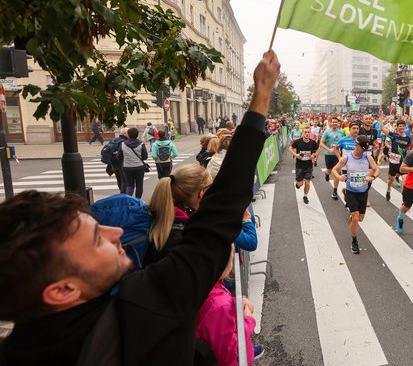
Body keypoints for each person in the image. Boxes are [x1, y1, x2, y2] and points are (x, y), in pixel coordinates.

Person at [0, 49, 279, 365]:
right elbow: (221, 210)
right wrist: (262, 95)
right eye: (95, 239)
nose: (115, 232)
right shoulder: (142, 309)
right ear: (63, 290)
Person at [196, 244, 264, 365]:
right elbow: (230, 350)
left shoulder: (206, 287)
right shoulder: (220, 306)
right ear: (223, 266)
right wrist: (248, 319)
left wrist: (236, 301)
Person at [332, 135, 380, 254]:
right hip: (351, 191)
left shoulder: (368, 157)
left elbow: (377, 169)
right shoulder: (346, 158)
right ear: (356, 145)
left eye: (365, 149)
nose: (363, 151)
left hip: (363, 191)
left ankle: (351, 212)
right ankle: (354, 241)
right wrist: (339, 177)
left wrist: (372, 177)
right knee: (355, 218)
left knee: (361, 219)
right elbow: (334, 169)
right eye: (361, 148)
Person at [381, 120, 413, 202]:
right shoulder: (393, 135)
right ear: (397, 127)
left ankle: (404, 200)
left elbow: (409, 149)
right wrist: (381, 117)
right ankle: (388, 190)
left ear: (405, 127)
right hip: (394, 161)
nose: (402, 127)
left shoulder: (408, 138)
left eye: (403, 126)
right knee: (391, 179)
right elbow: (382, 128)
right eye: (400, 126)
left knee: (405, 182)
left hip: (404, 162)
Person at [289, 127, 319, 204]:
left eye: (308, 132)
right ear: (302, 133)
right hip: (299, 166)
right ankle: (298, 184)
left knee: (307, 183)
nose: (307, 134)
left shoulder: (313, 143)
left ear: (310, 133)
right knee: (300, 184)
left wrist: (314, 155)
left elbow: (318, 150)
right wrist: (296, 155)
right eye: (305, 132)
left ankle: (305, 196)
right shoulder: (298, 142)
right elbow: (290, 148)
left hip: (308, 166)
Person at [117, 127, 149, 199]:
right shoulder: (141, 144)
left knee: (129, 185)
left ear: (128, 134)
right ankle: (137, 201)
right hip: (139, 167)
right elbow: (145, 157)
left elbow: (118, 157)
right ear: (137, 135)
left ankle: (129, 200)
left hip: (127, 168)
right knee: (139, 185)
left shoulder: (123, 144)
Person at [320, 116, 345, 200]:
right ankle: (326, 173)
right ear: (330, 123)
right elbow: (321, 143)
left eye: (336, 122)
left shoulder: (341, 132)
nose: (334, 123)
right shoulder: (327, 132)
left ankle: (335, 191)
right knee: (330, 170)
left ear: (338, 123)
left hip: (338, 155)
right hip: (328, 154)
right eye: (333, 122)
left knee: (336, 171)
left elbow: (344, 142)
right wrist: (328, 149)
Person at [110, 127, 129, 194]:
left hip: (113, 164)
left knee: (119, 180)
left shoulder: (114, 140)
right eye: (128, 133)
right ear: (125, 133)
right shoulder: (124, 142)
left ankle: (121, 192)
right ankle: (122, 195)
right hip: (121, 163)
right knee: (124, 181)